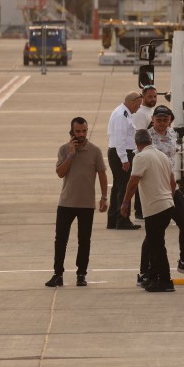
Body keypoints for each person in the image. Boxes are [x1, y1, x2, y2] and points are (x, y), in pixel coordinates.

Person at [46, 117, 109, 287]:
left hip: (86, 204)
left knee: (84, 240)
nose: (81, 134)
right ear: (72, 132)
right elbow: (60, 173)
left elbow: (102, 174)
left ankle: (81, 274)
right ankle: (57, 274)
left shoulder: (95, 151)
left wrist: (104, 197)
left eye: (84, 131)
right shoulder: (64, 149)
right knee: (60, 240)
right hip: (66, 203)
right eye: (77, 131)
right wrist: (71, 155)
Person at [146, 105, 184, 278]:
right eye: (158, 120)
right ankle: (146, 269)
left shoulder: (172, 133)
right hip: (157, 189)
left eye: (165, 120)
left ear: (170, 120)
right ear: (153, 120)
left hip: (173, 186)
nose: (162, 123)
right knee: (154, 232)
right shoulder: (147, 137)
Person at [121, 129, 178, 292]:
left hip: (155, 207)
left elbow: (133, 182)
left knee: (157, 246)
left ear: (137, 144)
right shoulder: (163, 157)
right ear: (151, 141)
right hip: (167, 205)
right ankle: (153, 277)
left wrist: (125, 203)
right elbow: (172, 183)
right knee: (154, 244)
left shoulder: (141, 157)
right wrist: (169, 198)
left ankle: (165, 281)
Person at [106, 91, 142, 230]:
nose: (138, 108)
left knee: (117, 187)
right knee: (124, 188)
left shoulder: (121, 111)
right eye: (138, 105)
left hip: (118, 153)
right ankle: (122, 220)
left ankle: (113, 219)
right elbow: (120, 140)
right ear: (133, 102)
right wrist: (124, 160)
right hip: (121, 153)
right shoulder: (122, 115)